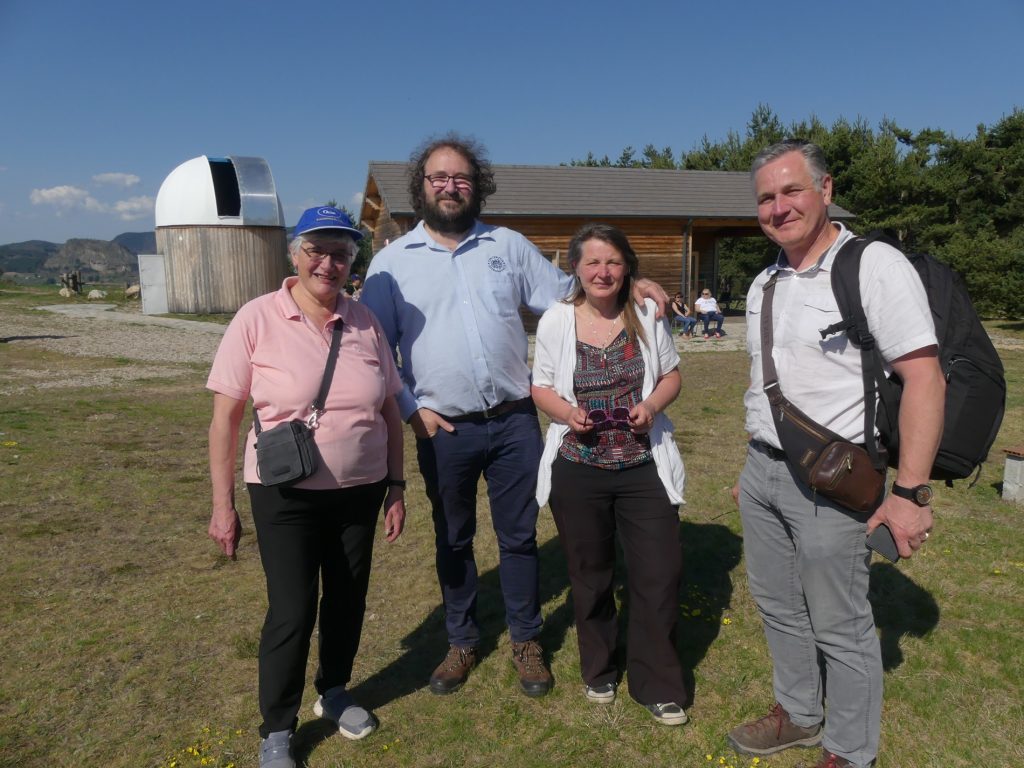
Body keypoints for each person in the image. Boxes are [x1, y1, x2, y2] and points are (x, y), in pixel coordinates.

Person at [360, 133, 668, 699]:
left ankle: (526, 640)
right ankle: (461, 641)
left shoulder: (507, 245)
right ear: (422, 187)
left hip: (512, 423)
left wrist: (633, 278)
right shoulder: (390, 264)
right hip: (442, 428)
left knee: (519, 536)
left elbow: (567, 293)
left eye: (461, 178)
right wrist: (410, 411)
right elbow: (373, 348)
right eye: (439, 178)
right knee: (453, 538)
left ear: (475, 187)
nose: (450, 187)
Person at [727, 140, 944, 768]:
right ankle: (797, 712)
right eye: (766, 197)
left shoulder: (872, 265)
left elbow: (925, 379)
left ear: (824, 191)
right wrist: (755, 467)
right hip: (765, 470)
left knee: (840, 623)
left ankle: (850, 752)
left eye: (792, 190)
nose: (778, 206)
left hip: (837, 480)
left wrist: (909, 495)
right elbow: (764, 382)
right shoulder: (765, 281)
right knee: (776, 605)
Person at [206, 206, 407, 768]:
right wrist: (222, 507)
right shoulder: (256, 318)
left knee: (347, 599)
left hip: (359, 490)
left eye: (341, 253)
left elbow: (389, 410)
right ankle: (277, 727)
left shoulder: (366, 321)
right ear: (294, 255)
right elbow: (225, 419)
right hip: (284, 494)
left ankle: (335, 691)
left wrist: (395, 485)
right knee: (293, 609)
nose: (329, 262)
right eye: (317, 250)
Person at [531, 223, 688, 725]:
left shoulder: (644, 312)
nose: (603, 271)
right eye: (593, 262)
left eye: (613, 261)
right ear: (575, 268)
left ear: (627, 268)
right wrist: (565, 413)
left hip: (643, 465)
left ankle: (657, 682)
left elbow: (671, 375)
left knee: (658, 574)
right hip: (580, 467)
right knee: (590, 575)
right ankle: (599, 668)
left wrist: (651, 405)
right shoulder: (556, 320)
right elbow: (540, 386)